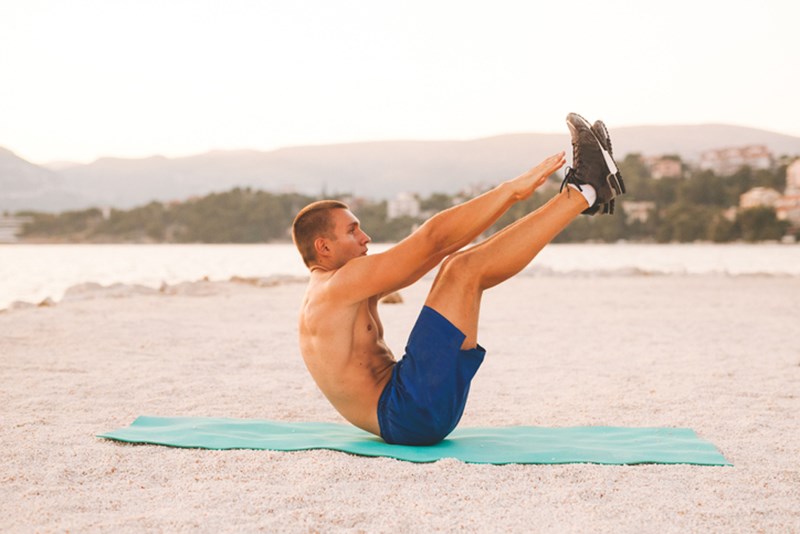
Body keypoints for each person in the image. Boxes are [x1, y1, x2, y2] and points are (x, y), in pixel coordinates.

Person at [291, 113, 625, 445]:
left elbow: (438, 249)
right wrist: (512, 191)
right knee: (463, 271)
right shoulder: (338, 286)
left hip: (412, 408)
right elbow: (432, 239)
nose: (366, 238)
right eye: (352, 231)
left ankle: (585, 192)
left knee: (457, 266)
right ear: (323, 246)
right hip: (408, 412)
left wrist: (511, 198)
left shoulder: (334, 292)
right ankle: (585, 191)